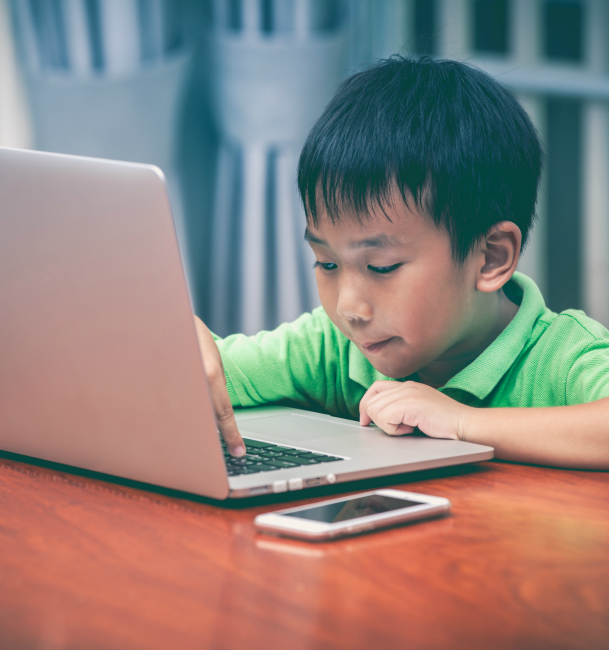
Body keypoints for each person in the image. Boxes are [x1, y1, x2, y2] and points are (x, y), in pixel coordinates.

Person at [195, 56, 609, 470]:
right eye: (327, 263)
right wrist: (178, 346)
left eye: (381, 267)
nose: (348, 307)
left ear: (490, 257)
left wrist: (463, 422)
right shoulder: (335, 348)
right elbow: (208, 373)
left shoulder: (562, 356)